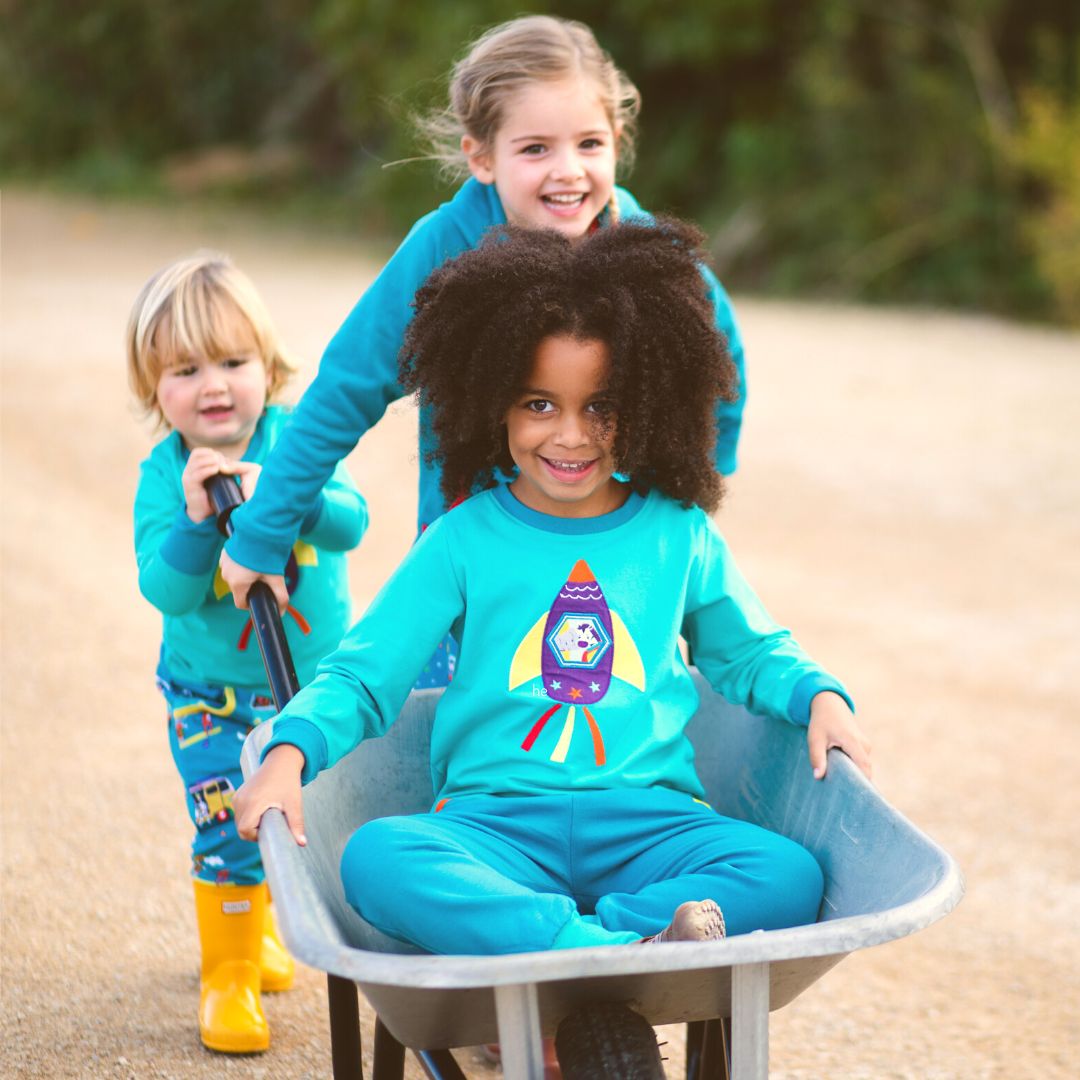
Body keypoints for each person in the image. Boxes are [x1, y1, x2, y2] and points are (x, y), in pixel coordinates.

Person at [233, 220, 872, 966]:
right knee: (378, 856)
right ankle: (612, 946)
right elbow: (362, 677)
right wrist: (288, 753)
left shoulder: (678, 533)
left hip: (652, 825)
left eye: (600, 406)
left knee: (787, 872)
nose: (570, 437)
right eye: (539, 405)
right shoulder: (461, 540)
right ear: (490, 402)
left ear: (647, 403)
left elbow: (752, 653)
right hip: (494, 827)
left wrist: (820, 696)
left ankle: (595, 938)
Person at [218, 15, 748, 693]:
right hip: (471, 579)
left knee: (613, 733)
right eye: (535, 149)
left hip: (617, 562)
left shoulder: (647, 252)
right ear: (481, 156)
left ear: (617, 141)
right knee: (459, 744)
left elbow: (721, 359)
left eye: (589, 143)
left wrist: (692, 490)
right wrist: (264, 530)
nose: (568, 171)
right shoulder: (445, 248)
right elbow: (345, 387)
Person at [127, 252, 367, 1053]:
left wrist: (287, 495)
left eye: (234, 362)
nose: (215, 385)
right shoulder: (164, 476)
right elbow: (166, 590)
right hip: (212, 695)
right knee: (231, 821)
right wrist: (201, 520)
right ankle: (228, 969)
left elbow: (352, 522)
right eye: (186, 370)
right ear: (154, 389)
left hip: (310, 685)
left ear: (267, 367)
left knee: (307, 820)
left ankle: (262, 926)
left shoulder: (295, 440)